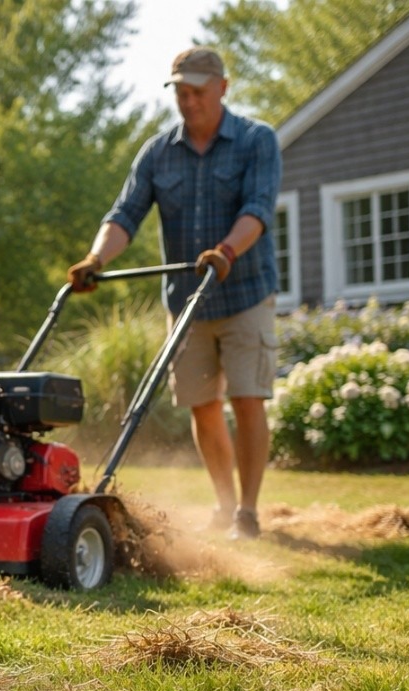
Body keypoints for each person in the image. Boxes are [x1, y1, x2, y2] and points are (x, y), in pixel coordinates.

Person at [68, 47, 282, 540]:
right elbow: (124, 215)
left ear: (222, 88)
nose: (188, 102)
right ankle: (224, 504)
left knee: (248, 398)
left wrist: (227, 251)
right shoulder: (158, 152)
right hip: (187, 301)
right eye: (181, 93)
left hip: (246, 293)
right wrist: (96, 260)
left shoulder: (256, 141)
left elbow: (258, 208)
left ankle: (247, 512)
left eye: (198, 92)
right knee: (202, 405)